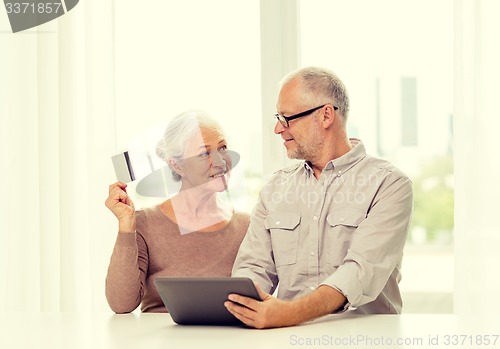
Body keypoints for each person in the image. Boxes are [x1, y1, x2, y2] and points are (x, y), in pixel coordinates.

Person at [225, 67, 413, 328]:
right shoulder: (275, 187)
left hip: (365, 340)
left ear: (326, 115)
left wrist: (288, 314)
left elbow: (360, 272)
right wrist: (245, 303)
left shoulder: (389, 183)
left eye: (287, 117)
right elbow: (254, 265)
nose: (278, 128)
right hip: (286, 338)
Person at [105, 110, 250, 313]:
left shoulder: (247, 227)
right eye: (204, 153)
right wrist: (126, 227)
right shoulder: (144, 223)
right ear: (177, 165)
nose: (219, 161)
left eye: (223, 147)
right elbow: (121, 305)